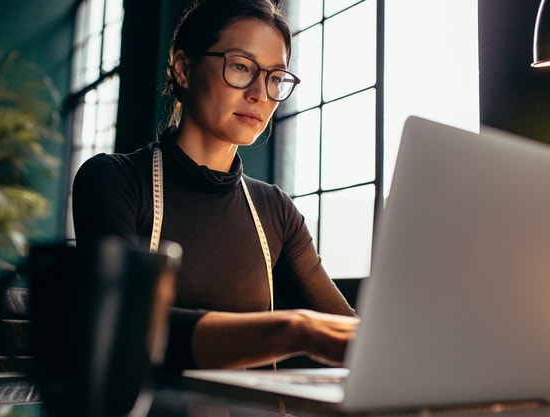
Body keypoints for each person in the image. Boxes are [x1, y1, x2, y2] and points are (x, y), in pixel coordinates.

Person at [72, 0, 359, 371]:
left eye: (274, 77)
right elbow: (124, 324)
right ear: (184, 68)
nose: (260, 93)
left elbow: (347, 331)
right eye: (241, 66)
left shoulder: (277, 210)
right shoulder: (114, 182)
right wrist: (291, 330)